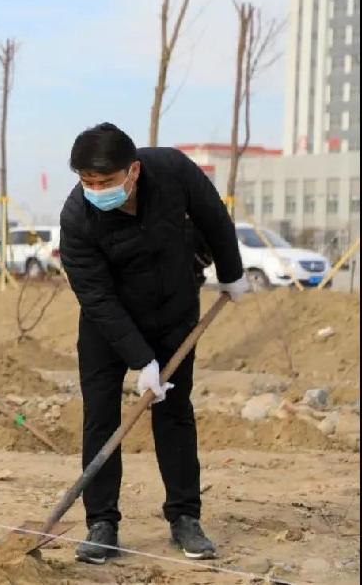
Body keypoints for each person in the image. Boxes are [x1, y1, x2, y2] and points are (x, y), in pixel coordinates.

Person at [59, 123, 248, 564]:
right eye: (87, 182)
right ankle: (101, 523)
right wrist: (141, 360)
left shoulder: (173, 171)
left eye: (105, 182)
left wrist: (232, 270)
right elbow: (96, 296)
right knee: (101, 415)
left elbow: (213, 217)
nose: (96, 190)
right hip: (109, 325)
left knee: (175, 413)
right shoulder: (77, 218)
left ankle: (185, 518)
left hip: (173, 311)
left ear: (134, 170)